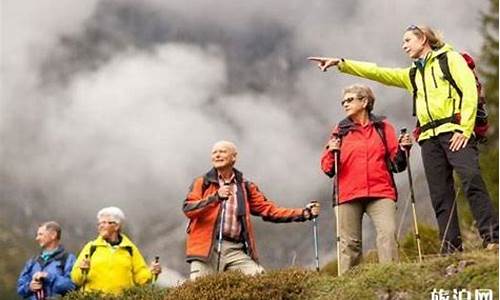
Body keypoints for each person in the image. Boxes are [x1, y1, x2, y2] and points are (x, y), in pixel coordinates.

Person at [308, 25, 499, 253]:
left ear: (423, 39)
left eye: (408, 40)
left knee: (472, 180)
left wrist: (465, 129)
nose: (404, 45)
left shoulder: (451, 59)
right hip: (428, 138)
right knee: (440, 194)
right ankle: (451, 248)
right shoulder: (412, 74)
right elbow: (378, 72)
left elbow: (469, 92)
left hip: (455, 132)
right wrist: (341, 63)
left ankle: (492, 239)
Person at [183, 140, 320, 280]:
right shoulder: (202, 182)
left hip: (234, 249)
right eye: (214, 152)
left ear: (233, 157)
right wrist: (215, 197)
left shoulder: (245, 186)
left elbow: (269, 210)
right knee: (199, 292)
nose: (217, 155)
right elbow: (188, 209)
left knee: (261, 280)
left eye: (222, 151)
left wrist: (304, 213)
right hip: (206, 250)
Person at [320, 84, 410, 274]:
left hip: (381, 191)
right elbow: (327, 168)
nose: (345, 104)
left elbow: (397, 165)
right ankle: (348, 288)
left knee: (388, 234)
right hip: (348, 194)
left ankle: (391, 278)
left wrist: (404, 149)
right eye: (343, 101)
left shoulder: (383, 128)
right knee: (350, 245)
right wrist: (331, 150)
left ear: (365, 101)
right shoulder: (340, 130)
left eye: (350, 100)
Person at [71, 207, 162, 295]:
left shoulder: (129, 249)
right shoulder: (91, 247)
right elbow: (75, 279)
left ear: (116, 226)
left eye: (104, 222)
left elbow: (141, 278)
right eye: (99, 223)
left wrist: (152, 271)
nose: (100, 226)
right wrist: (82, 270)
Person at [17, 221, 76, 299]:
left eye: (40, 234)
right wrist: (29, 286)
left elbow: (71, 286)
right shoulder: (33, 261)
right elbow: (20, 288)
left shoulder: (68, 259)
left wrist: (48, 276)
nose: (37, 238)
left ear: (53, 235)